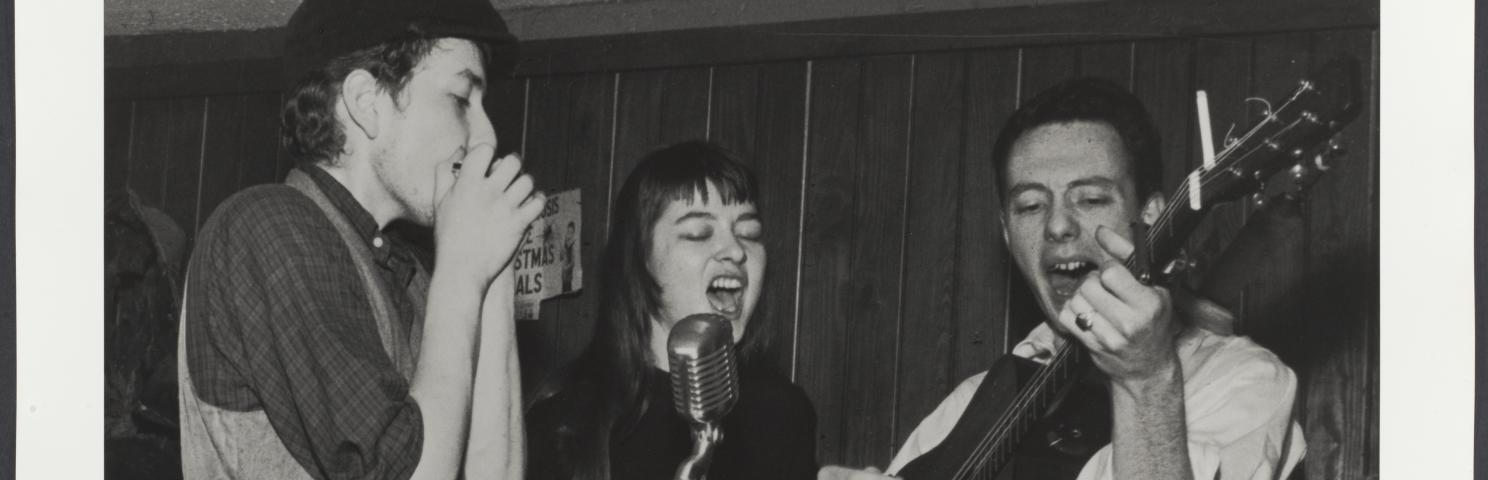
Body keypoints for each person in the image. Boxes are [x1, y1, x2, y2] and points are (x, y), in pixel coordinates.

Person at [820, 78, 1305, 480]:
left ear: (1153, 218)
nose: (1057, 225)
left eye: (1091, 199)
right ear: (1008, 235)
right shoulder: (981, 399)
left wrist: (1147, 378)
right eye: (1030, 206)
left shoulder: (1244, 381)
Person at [176, 0, 539, 478]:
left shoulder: (416, 280)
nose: (486, 137)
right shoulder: (269, 226)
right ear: (368, 103)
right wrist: (465, 274)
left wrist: (492, 272)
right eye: (460, 99)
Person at [525, 141, 818, 480]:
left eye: (749, 233)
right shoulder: (563, 420)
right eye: (697, 233)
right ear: (639, 259)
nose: (735, 250)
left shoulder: (783, 412)